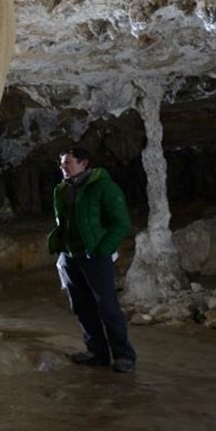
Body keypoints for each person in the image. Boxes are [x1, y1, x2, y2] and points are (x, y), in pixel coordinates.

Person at [48, 146, 137, 373]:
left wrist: (102, 249)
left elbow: (121, 222)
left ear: (84, 163)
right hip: (70, 256)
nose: (63, 167)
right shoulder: (61, 190)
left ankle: (124, 355)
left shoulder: (103, 187)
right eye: (61, 163)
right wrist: (61, 249)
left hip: (95, 256)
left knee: (107, 307)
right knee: (81, 306)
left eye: (68, 162)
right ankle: (97, 352)